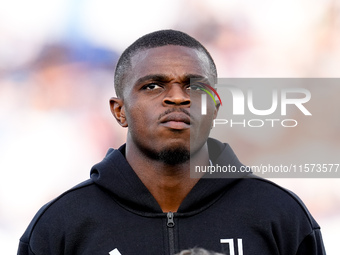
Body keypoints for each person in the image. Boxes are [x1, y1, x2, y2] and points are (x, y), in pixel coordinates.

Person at [18, 30, 326, 255]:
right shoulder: (63, 224)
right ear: (119, 110)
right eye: (153, 85)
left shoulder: (280, 215)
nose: (177, 97)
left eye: (194, 87)